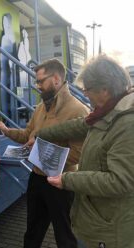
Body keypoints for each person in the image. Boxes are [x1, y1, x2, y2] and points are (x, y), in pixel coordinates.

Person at [37, 55, 134, 248]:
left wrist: (67, 180)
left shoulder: (127, 124)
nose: (85, 94)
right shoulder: (106, 112)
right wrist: (41, 134)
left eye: (87, 89)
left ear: (104, 90)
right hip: (99, 218)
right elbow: (78, 126)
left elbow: (120, 181)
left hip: (111, 229)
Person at [0, 58, 89, 248]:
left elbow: (78, 155)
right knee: (32, 232)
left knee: (65, 235)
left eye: (40, 81)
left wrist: (39, 151)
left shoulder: (78, 110)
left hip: (61, 183)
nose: (37, 86)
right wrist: (6, 130)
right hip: (37, 179)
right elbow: (27, 135)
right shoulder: (39, 108)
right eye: (36, 82)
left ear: (56, 79)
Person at [0, 13, 16, 118]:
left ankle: (10, 118)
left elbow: (14, 55)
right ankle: (5, 118)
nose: (5, 25)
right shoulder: (4, 37)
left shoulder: (11, 38)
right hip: (3, 71)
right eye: (3, 23)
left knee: (11, 95)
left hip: (11, 71)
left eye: (7, 22)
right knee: (4, 95)